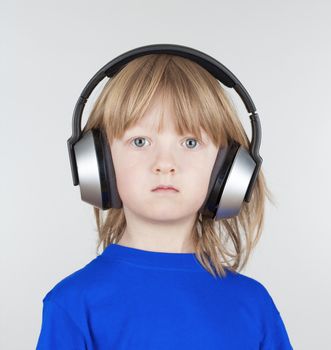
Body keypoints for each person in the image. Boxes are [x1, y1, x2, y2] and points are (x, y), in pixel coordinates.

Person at [36, 52, 293, 349]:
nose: (165, 163)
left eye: (190, 142)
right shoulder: (73, 304)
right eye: (140, 141)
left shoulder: (254, 305)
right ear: (98, 162)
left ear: (228, 168)